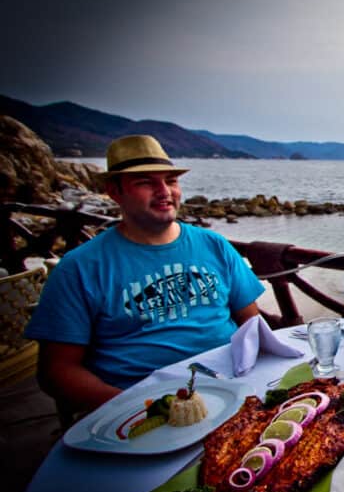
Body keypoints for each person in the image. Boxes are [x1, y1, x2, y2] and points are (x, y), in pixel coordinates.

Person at [26, 135, 265, 414]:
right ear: (114, 192)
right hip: (140, 405)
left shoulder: (214, 245)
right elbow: (57, 371)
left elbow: (252, 325)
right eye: (145, 182)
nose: (164, 191)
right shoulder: (80, 268)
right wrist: (135, 409)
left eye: (171, 181)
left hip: (231, 391)